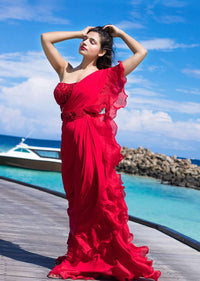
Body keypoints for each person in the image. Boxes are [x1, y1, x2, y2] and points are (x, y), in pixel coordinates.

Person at [41, 24, 161, 281]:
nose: (85, 43)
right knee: (76, 200)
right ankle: (81, 252)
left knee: (91, 199)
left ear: (101, 52)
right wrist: (77, 32)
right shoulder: (65, 69)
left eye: (92, 41)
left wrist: (119, 34)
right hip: (69, 141)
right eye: (85, 40)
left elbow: (141, 52)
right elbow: (46, 38)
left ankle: (81, 257)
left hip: (90, 141)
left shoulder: (107, 75)